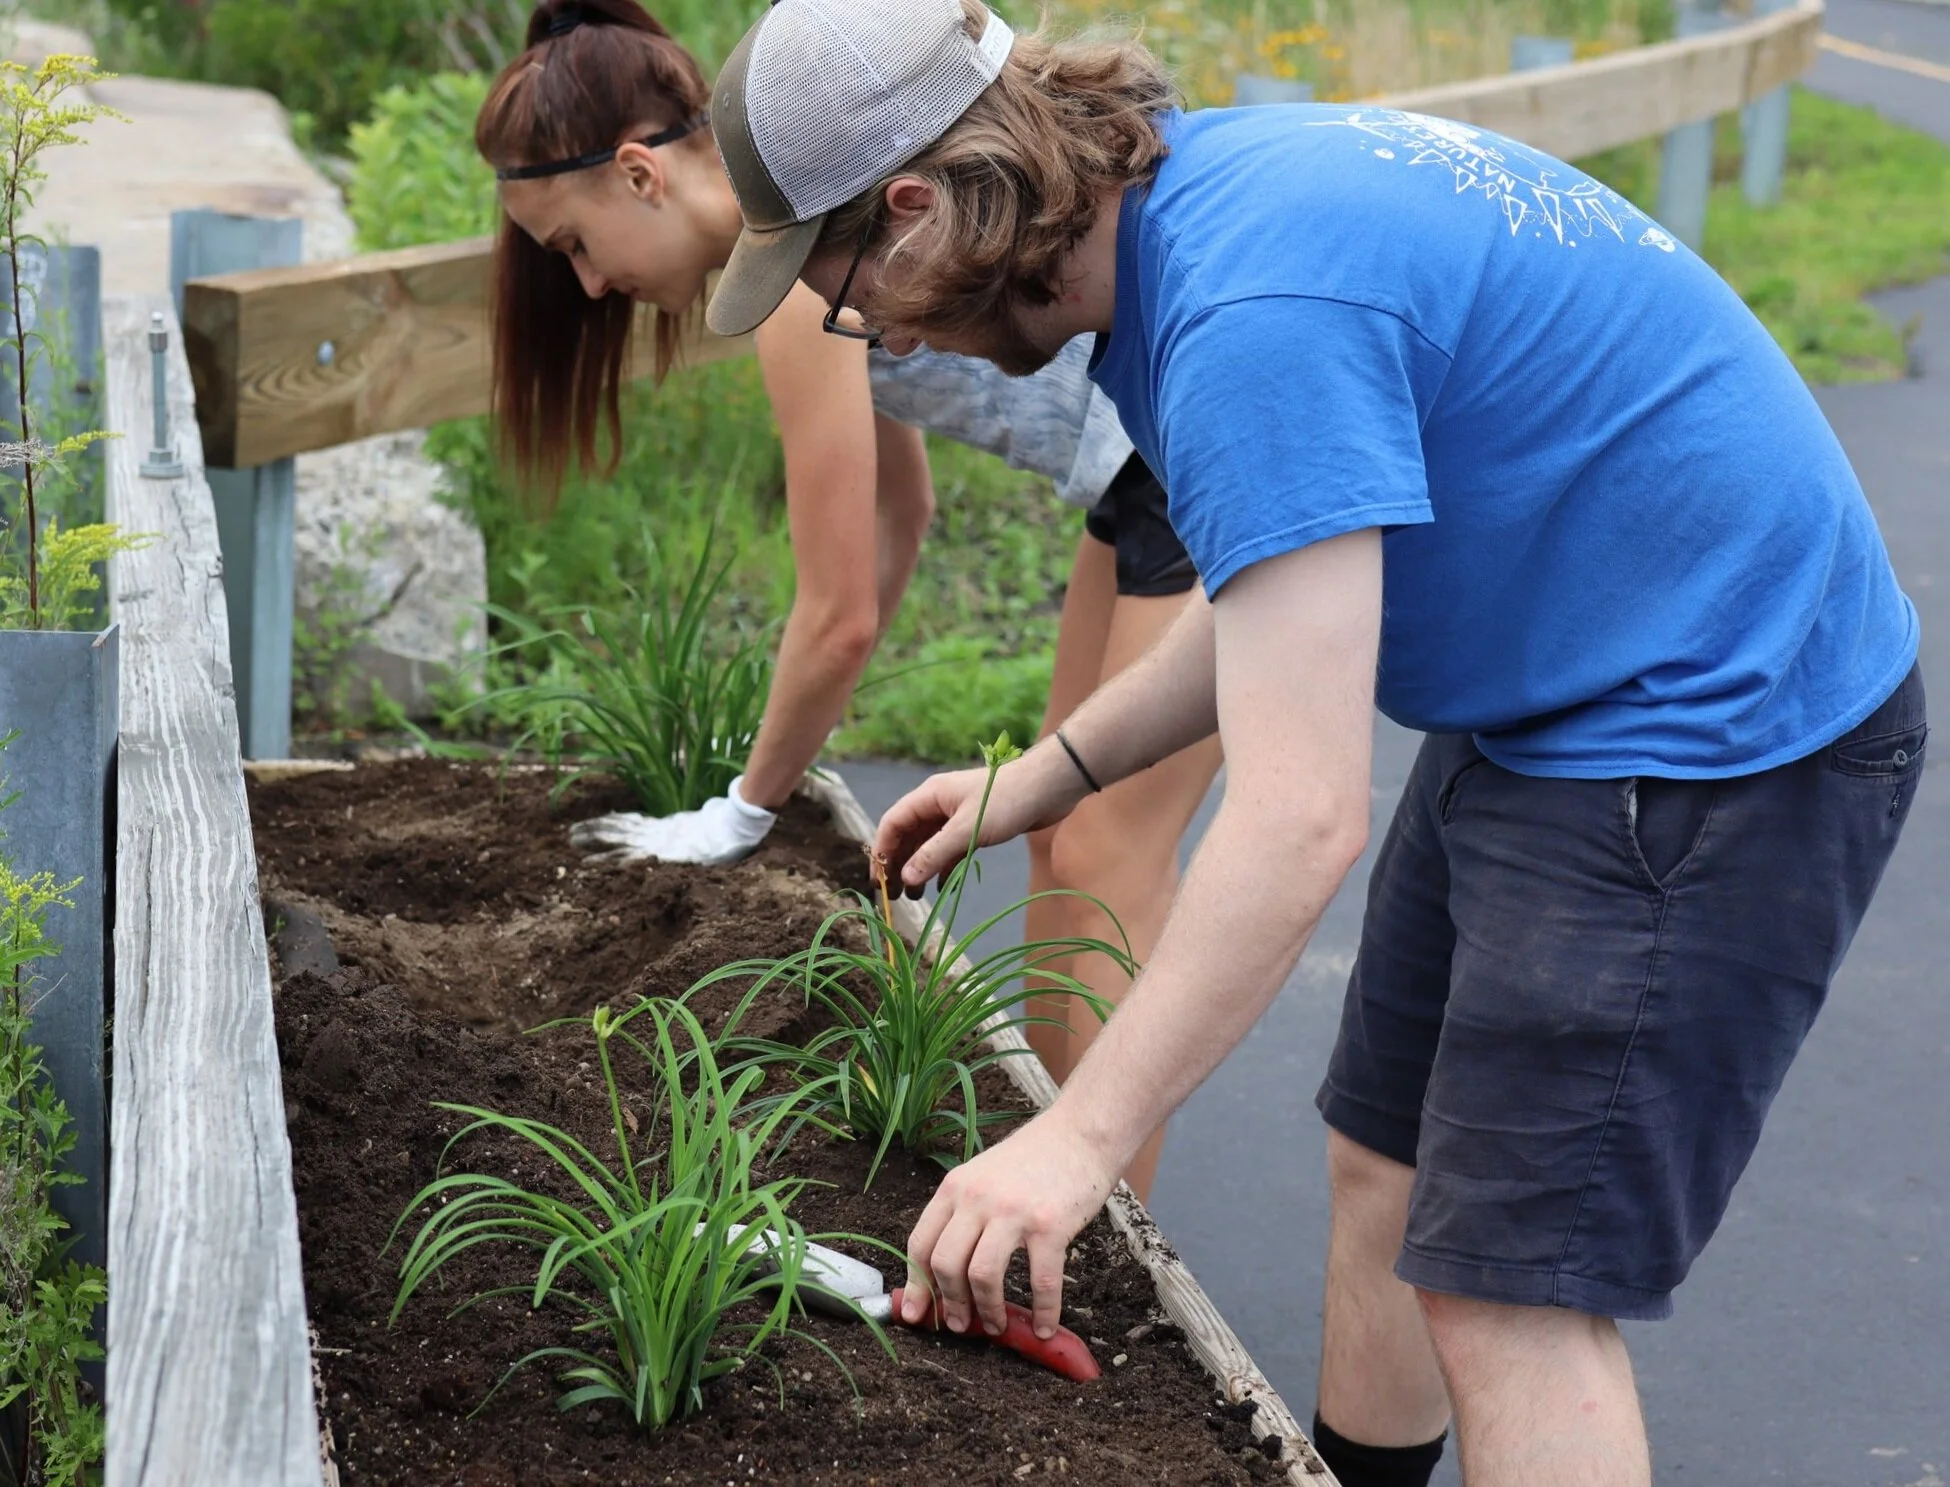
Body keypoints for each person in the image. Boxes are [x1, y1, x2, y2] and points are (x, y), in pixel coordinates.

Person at [698, 2, 1926, 1484]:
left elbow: (1296, 820)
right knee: (1388, 1168)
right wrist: (1046, 778)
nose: (879, 333)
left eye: (848, 290)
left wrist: (1075, 1138)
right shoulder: (1188, 214)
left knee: (1512, 1295)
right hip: (1559, 685)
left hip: (1710, 728)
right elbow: (1279, 584)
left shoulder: (1245, 315)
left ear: (912, 212)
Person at [472, 0, 1222, 1199]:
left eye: (572, 243)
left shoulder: (787, 280)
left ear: (637, 174)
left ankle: (1098, 1215)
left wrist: (745, 807)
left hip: (1183, 448)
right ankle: (1071, 1185)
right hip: (1132, 464)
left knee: (1102, 842)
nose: (593, 286)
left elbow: (836, 614)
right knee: (1058, 826)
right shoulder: (800, 250)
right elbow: (894, 520)